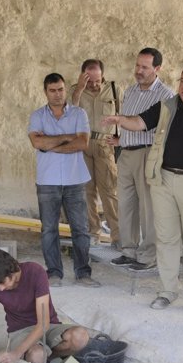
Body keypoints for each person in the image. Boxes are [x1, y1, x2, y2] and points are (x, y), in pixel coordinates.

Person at [103, 63, 183, 311]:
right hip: (163, 180)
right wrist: (119, 119)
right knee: (167, 238)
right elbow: (140, 122)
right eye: (182, 81)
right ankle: (167, 290)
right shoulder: (166, 107)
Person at [28, 73, 99, 288]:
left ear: (65, 90)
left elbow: (82, 143)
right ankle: (54, 274)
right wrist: (67, 137)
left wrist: (49, 145)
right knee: (49, 229)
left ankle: (83, 274)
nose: (57, 94)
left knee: (80, 228)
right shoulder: (37, 115)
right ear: (45, 92)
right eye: (52, 90)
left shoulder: (79, 114)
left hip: (74, 179)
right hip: (47, 180)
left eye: (60, 90)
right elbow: (36, 141)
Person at [0, 248, 89, 363]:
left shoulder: (35, 272)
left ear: (11, 271)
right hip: (20, 331)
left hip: (49, 326)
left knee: (80, 336)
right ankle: (44, 358)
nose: (0, 288)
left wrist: (16, 354)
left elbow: (43, 323)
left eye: (2, 282)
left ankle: (49, 358)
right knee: (37, 355)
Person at [108, 48, 175, 270]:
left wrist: (123, 123)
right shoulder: (130, 91)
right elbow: (128, 124)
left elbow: (150, 125)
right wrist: (122, 140)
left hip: (148, 154)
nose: (139, 71)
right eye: (137, 66)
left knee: (149, 207)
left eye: (145, 67)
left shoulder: (166, 95)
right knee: (126, 204)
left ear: (157, 69)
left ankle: (147, 256)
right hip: (126, 153)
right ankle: (128, 250)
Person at [69, 59, 120, 247]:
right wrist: (80, 89)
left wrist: (120, 138)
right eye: (89, 80)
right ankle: (93, 233)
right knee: (86, 191)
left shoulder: (114, 90)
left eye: (97, 80)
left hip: (105, 144)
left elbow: (125, 116)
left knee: (109, 191)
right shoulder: (76, 90)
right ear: (83, 76)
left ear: (103, 76)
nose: (94, 84)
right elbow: (68, 113)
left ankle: (118, 236)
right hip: (83, 143)